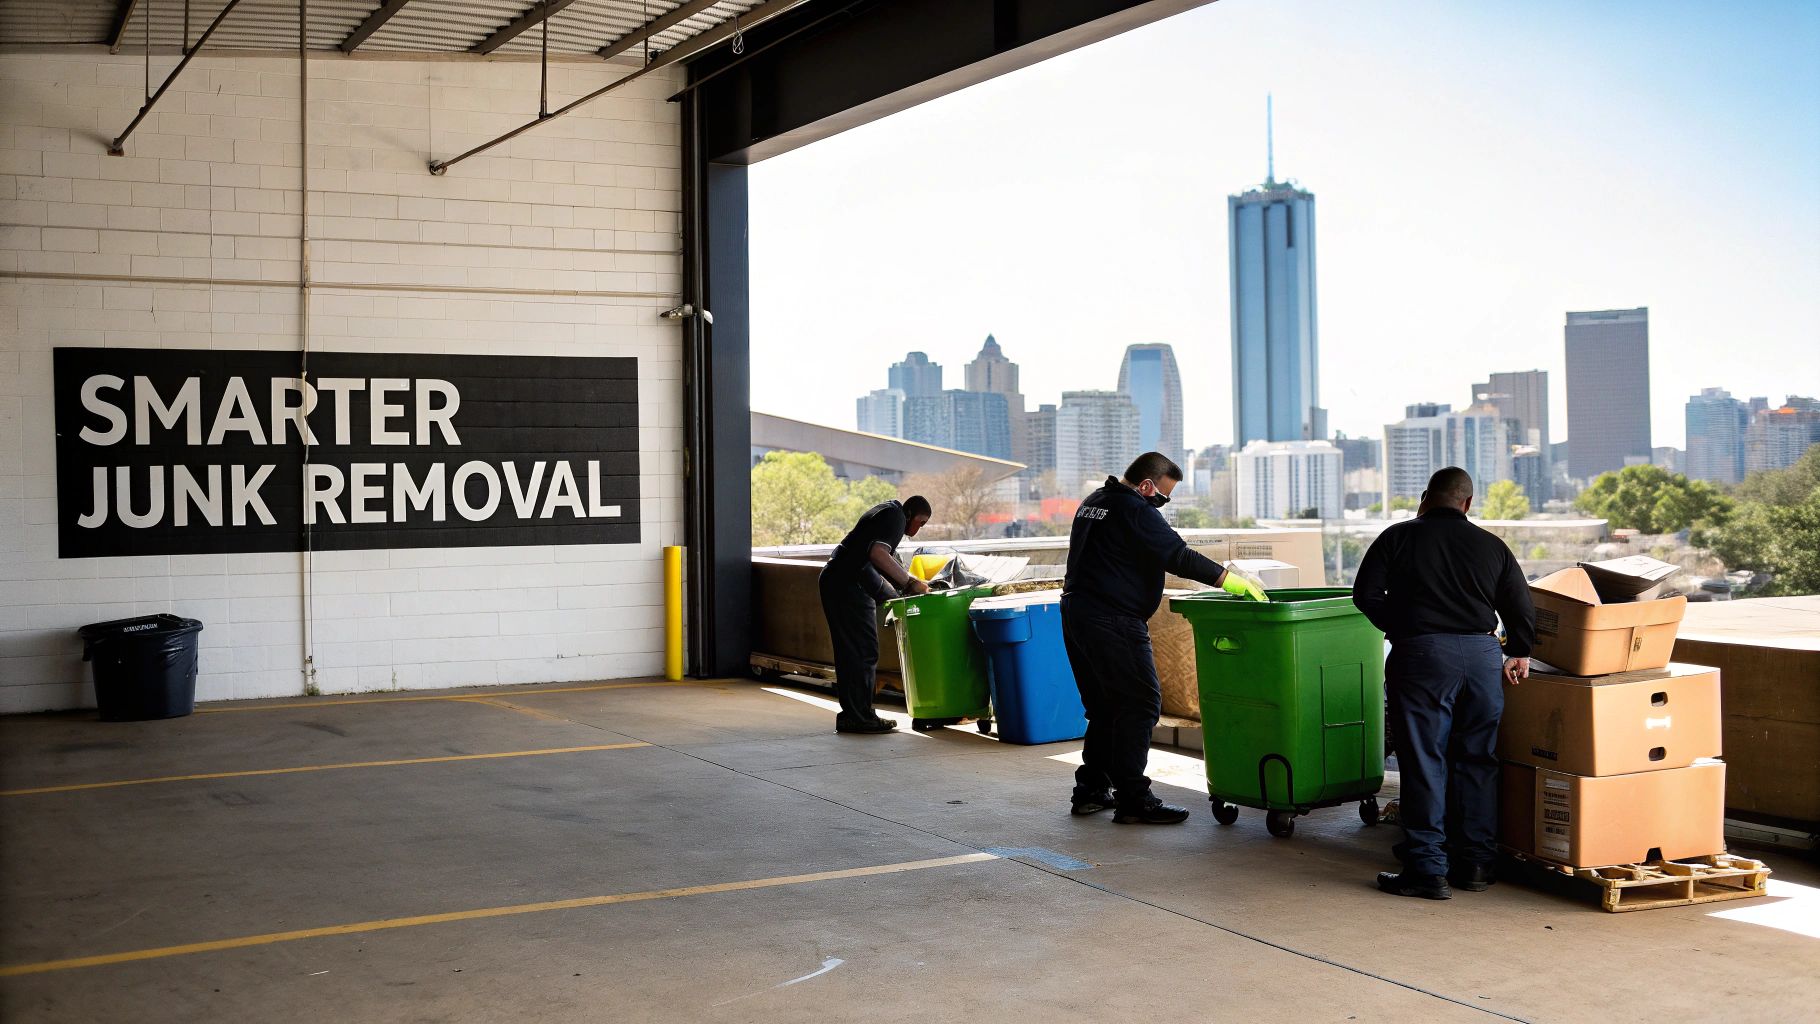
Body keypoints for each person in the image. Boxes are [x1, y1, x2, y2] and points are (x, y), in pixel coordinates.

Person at [1352, 466, 1536, 900]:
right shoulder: (1493, 546)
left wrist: (1404, 627)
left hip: (1422, 657)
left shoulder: (1397, 537)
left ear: (1424, 498)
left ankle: (1427, 868)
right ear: (1467, 503)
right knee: (1477, 759)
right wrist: (1521, 652)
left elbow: (1365, 594)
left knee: (1423, 760)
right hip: (1482, 657)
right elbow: (1520, 606)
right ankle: (1474, 863)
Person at [1061, 453, 1267, 824]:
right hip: (1113, 619)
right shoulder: (1134, 509)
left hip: (1077, 613)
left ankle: (1091, 790)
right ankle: (1133, 800)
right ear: (1146, 486)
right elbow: (1177, 555)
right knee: (1140, 704)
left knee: (1106, 708)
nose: (1162, 504)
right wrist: (1231, 581)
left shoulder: (1095, 502)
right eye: (1163, 496)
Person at [820, 495, 933, 734]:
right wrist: (910, 583)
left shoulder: (886, 511)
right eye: (920, 523)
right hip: (847, 586)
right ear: (911, 514)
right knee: (863, 650)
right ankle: (859, 716)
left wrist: (890, 594)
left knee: (851, 651)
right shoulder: (896, 518)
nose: (917, 529)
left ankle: (855, 714)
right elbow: (877, 554)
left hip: (837, 579)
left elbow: (865, 560)